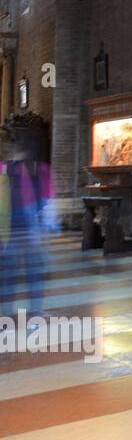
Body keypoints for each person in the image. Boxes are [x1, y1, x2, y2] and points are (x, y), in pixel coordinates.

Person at [1, 132, 54, 333]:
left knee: (26, 275)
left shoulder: (40, 170)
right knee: (14, 277)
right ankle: (13, 318)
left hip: (28, 232)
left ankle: (30, 315)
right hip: (16, 232)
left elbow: (47, 200)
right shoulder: (8, 170)